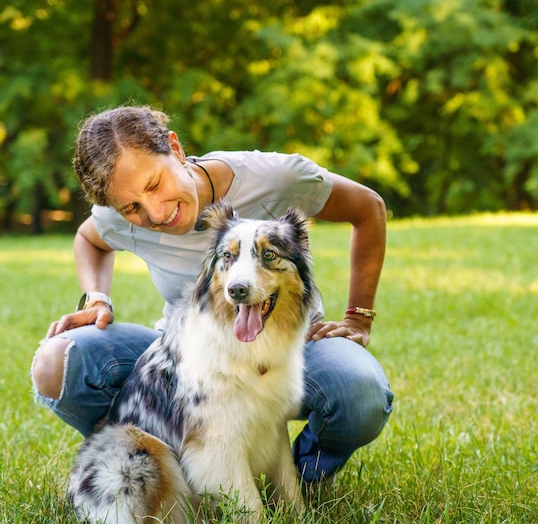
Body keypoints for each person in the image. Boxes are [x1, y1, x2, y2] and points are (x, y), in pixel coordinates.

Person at [30, 105, 394, 483]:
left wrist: (358, 316)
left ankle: (303, 476)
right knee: (56, 363)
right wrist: (96, 297)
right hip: (186, 356)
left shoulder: (274, 177)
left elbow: (368, 208)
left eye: (155, 184)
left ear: (175, 148)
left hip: (288, 348)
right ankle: (151, 471)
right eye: (132, 207)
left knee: (361, 394)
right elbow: (89, 239)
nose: (155, 213)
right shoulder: (117, 212)